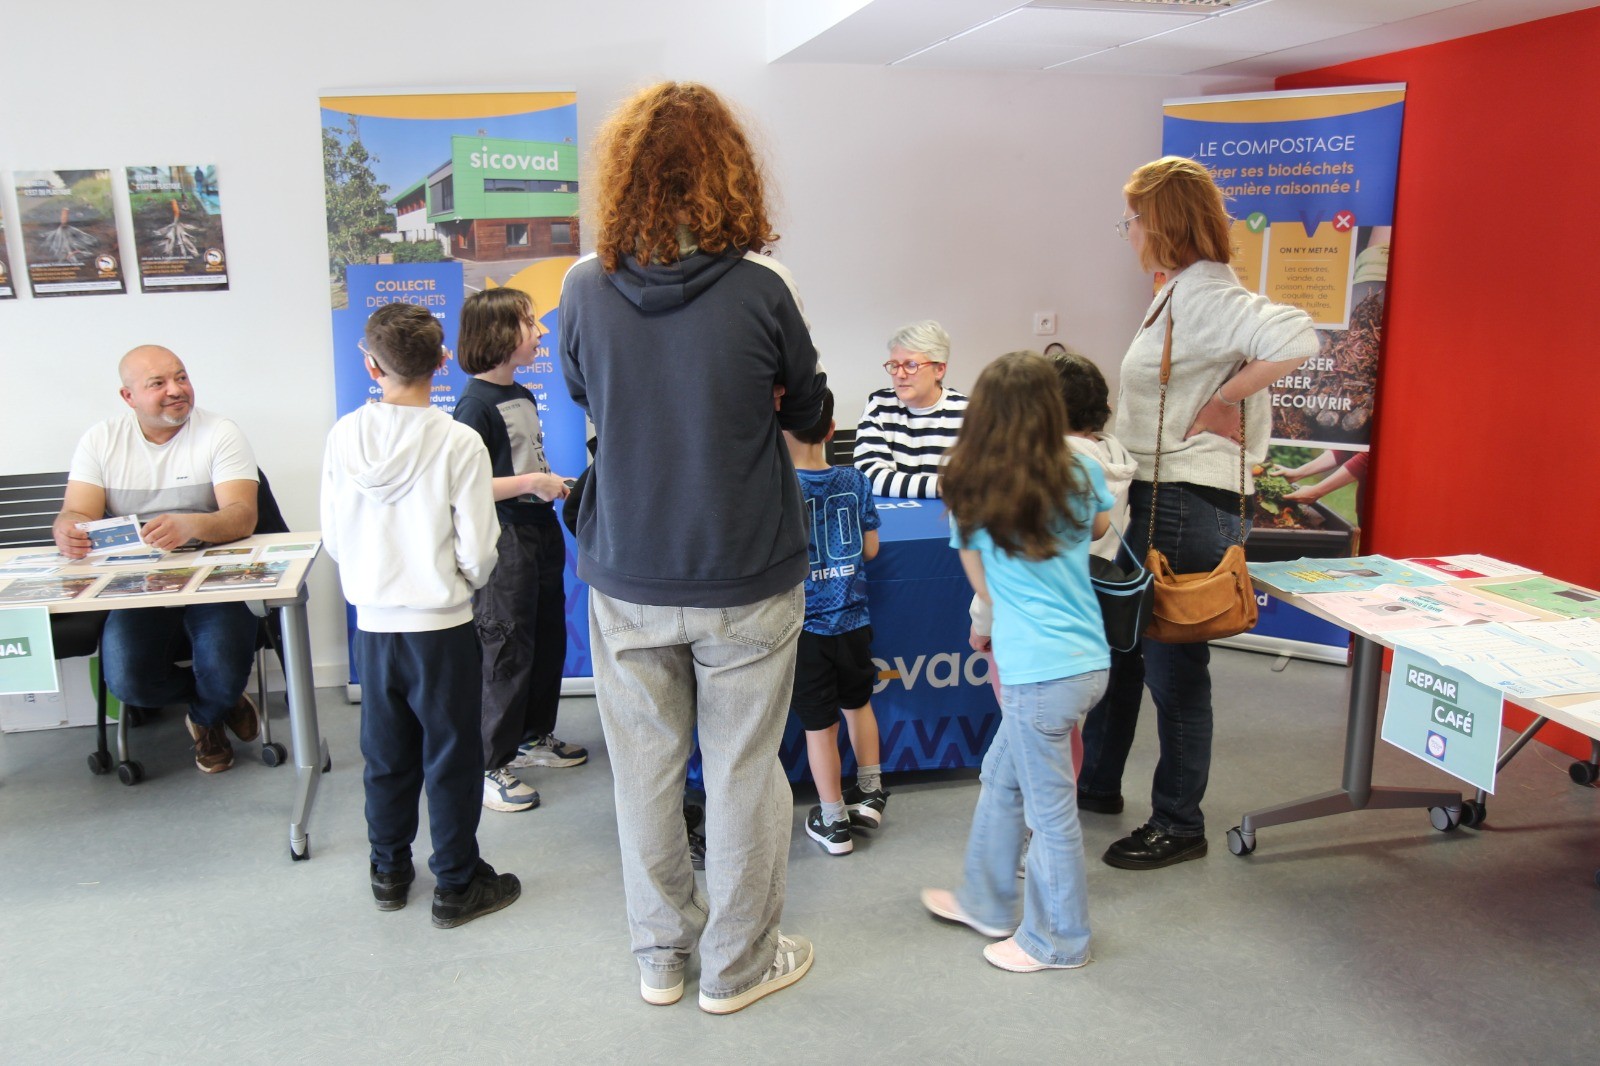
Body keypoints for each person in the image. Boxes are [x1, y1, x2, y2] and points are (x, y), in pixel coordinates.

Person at [558, 81, 826, 1014]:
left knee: (644, 770)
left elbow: (586, 394)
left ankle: (661, 958)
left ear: (623, 175)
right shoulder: (764, 285)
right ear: (731, 173)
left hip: (629, 564)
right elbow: (811, 409)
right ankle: (737, 968)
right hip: (744, 565)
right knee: (746, 770)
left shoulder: (582, 286)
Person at [1078, 156, 1318, 871]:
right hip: (1162, 495)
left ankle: (1179, 824)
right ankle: (1097, 783)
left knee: (1174, 669)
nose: (1126, 232)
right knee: (1125, 650)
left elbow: (1298, 336)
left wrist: (1225, 400)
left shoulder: (1207, 292)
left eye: (1131, 219)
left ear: (1161, 222)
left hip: (1185, 499)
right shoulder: (1177, 290)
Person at [321, 303, 520, 929]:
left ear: (371, 365)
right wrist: (459, 583)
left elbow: (333, 535)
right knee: (452, 757)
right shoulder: (458, 441)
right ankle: (456, 883)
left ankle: (388, 872)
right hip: (441, 627)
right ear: (442, 361)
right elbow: (479, 547)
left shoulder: (343, 436)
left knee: (385, 755)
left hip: (374, 628)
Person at [921, 351, 1112, 973]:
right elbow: (1101, 527)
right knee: (1002, 776)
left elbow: (985, 590)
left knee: (1050, 815)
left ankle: (1057, 941)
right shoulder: (1082, 468)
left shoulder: (974, 488)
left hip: (1037, 673)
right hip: (1088, 660)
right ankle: (985, 899)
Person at [52, 344, 261, 775]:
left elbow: (243, 516)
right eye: (158, 383)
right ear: (128, 396)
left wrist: (194, 526)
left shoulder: (220, 431)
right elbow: (77, 512)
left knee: (223, 665)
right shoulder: (101, 440)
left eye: (181, 377)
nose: (176, 390)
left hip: (214, 577)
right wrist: (67, 528)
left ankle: (206, 718)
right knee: (130, 682)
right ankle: (220, 701)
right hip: (137, 584)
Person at [453, 287, 586, 815]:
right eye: (530, 323)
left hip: (540, 532)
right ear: (500, 334)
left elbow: (524, 464)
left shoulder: (524, 395)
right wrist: (533, 482)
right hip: (505, 541)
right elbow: (467, 485)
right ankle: (489, 763)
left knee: (547, 638)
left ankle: (532, 738)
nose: (541, 332)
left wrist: (550, 483)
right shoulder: (473, 406)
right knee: (505, 649)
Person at [782, 388, 887, 856]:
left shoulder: (780, 486)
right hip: (854, 621)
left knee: (820, 725)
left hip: (806, 629)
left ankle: (833, 818)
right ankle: (871, 792)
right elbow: (871, 549)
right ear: (831, 430)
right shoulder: (855, 479)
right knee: (859, 704)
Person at [852, 320, 968, 498]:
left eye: (911, 365)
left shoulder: (967, 413)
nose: (900, 374)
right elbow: (869, 477)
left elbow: (975, 481)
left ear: (939, 370)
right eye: (894, 365)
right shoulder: (880, 406)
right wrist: (942, 485)